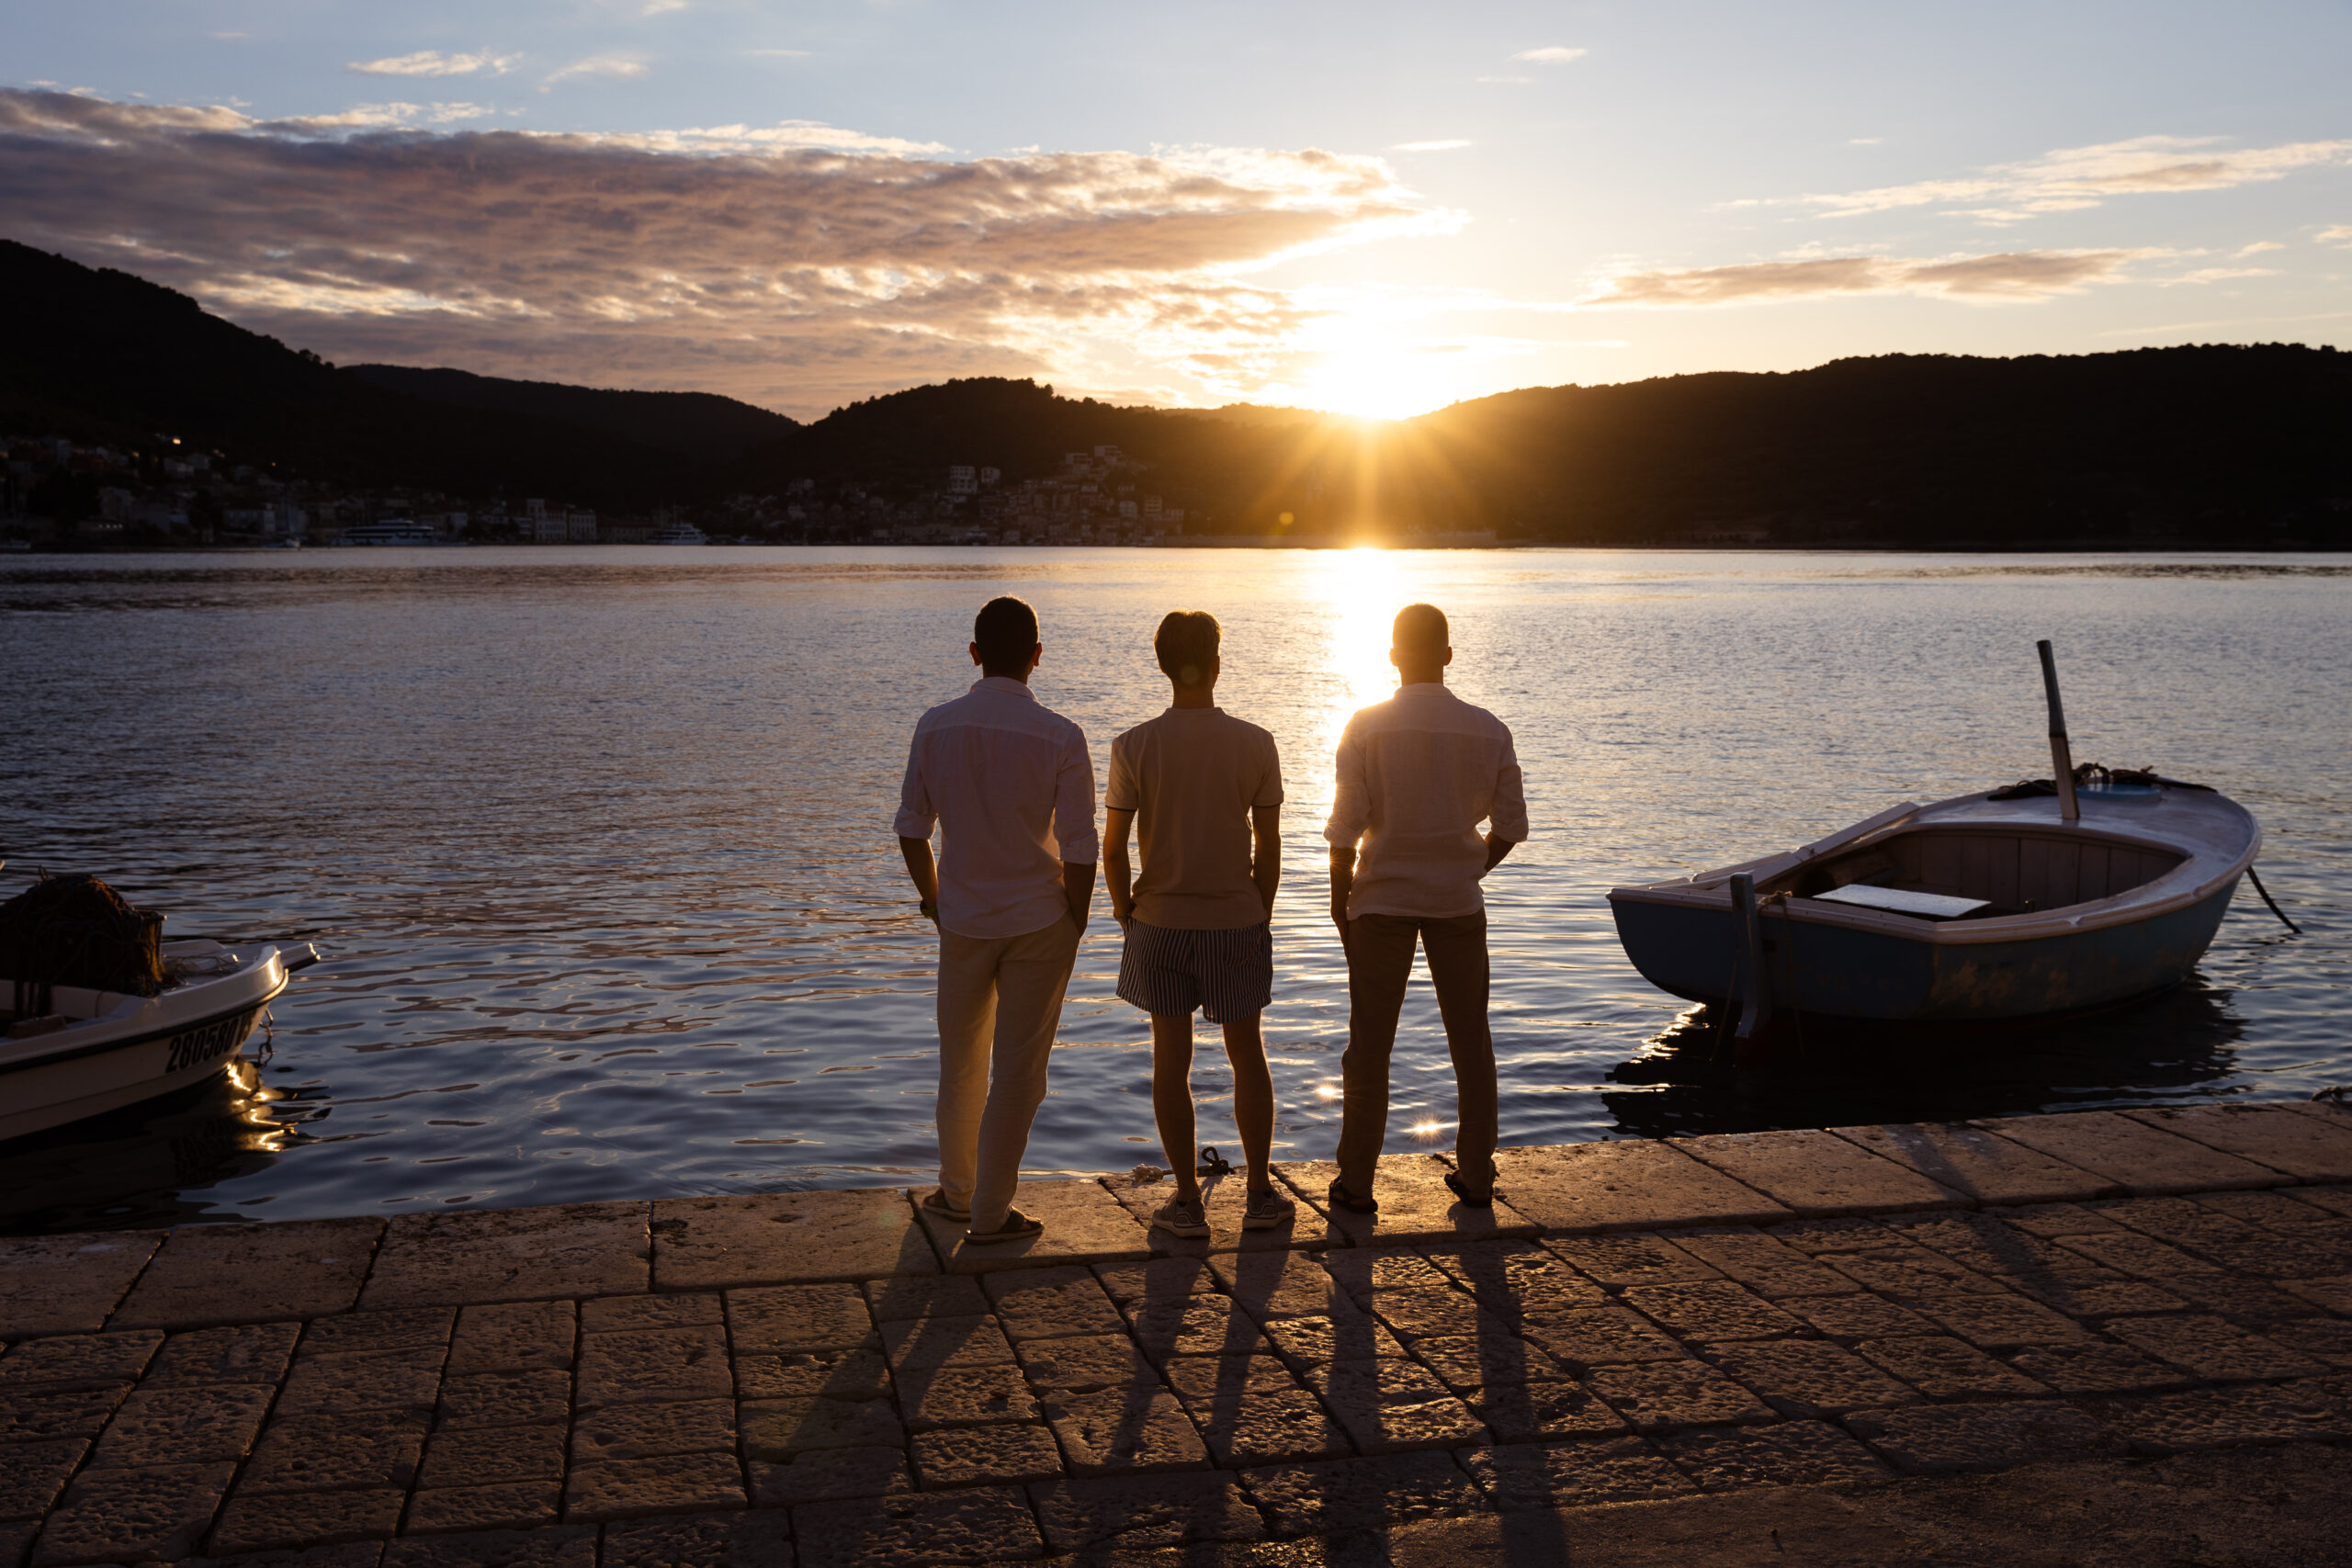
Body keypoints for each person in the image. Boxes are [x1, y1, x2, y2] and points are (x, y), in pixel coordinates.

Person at [895, 595, 1098, 1244]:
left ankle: (958, 1193)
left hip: (961, 919)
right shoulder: (1061, 735)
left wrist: (933, 900)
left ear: (976, 653)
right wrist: (1077, 918)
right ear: (1037, 656)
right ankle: (991, 1211)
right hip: (1041, 918)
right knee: (1019, 1072)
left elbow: (910, 829)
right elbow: (1080, 844)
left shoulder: (936, 725)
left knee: (960, 1062)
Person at [1324, 602, 1527, 1213]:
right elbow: (1511, 827)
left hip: (1380, 901)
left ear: (1392, 655)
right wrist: (1467, 866)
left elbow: (1344, 829)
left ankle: (1357, 1182)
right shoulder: (1489, 729)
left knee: (1369, 1046)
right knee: (1471, 1040)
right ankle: (1476, 1175)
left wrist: (1342, 902)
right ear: (1447, 655)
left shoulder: (1365, 725)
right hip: (1457, 903)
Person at [1104, 609, 1295, 1237]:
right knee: (1249, 1056)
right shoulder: (1255, 742)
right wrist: (1257, 909)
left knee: (1170, 1062)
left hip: (1159, 921)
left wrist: (1122, 908)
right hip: (1234, 918)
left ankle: (1187, 1200)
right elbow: (1268, 848)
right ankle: (1261, 1195)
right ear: (1216, 664)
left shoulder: (1133, 744)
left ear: (1163, 666)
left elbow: (1113, 847)